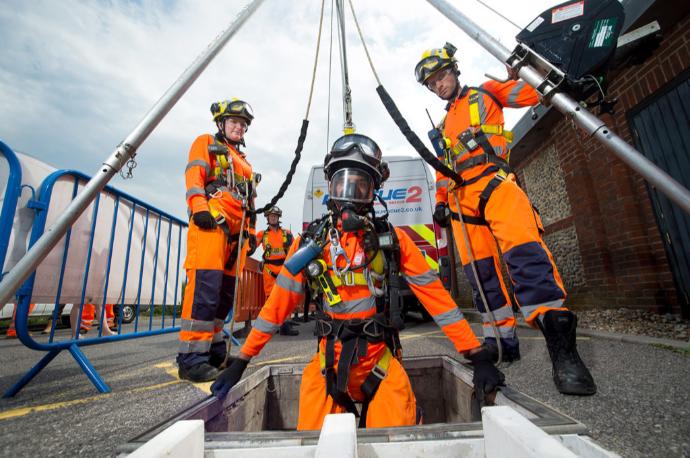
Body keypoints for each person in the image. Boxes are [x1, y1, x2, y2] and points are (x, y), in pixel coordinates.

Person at [211, 134, 504, 429]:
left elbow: (436, 298)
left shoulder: (392, 241)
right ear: (331, 189)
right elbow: (276, 306)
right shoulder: (312, 242)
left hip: (381, 362)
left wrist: (475, 353)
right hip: (329, 364)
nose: (349, 194)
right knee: (315, 441)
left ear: (373, 193)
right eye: (342, 184)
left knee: (395, 440)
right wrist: (242, 360)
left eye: (360, 186)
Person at [414, 43, 595, 395]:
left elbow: (533, 92)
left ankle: (565, 356)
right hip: (460, 202)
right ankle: (502, 342)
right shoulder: (441, 126)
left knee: (527, 258)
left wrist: (531, 71)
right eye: (431, 83)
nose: (437, 85)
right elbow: (441, 171)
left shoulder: (486, 94)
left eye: (440, 76)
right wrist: (439, 201)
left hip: (495, 184)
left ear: (453, 70)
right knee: (480, 276)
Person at [178, 98, 258, 383]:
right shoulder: (206, 143)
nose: (239, 127)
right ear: (222, 123)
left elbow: (250, 203)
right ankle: (190, 358)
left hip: (236, 238)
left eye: (243, 124)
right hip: (211, 225)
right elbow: (194, 175)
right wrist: (199, 208)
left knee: (223, 295)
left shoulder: (244, 164)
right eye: (235, 122)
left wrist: (251, 234)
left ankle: (213, 350)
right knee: (204, 289)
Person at [256, 206, 299, 336]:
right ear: (267, 218)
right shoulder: (262, 234)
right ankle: (271, 326)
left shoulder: (287, 234)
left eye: (275, 216)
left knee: (286, 297)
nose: (273, 218)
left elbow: (294, 250)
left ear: (278, 218)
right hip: (269, 270)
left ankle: (286, 326)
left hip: (284, 269)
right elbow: (250, 247)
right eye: (271, 216)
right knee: (270, 299)